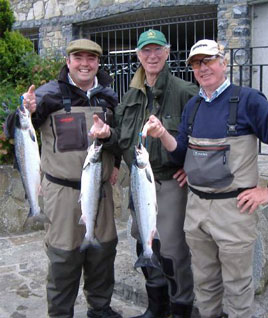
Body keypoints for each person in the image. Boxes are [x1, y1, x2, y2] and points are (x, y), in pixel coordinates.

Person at [141, 39, 268, 318]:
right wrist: (163, 134)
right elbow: (181, 154)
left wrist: (265, 192)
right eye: (197, 63)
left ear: (223, 62)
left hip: (234, 210)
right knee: (205, 284)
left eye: (208, 60)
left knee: (237, 286)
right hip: (196, 209)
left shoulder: (249, 101)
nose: (203, 67)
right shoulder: (194, 106)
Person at [5, 38, 122, 318]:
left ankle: (100, 308)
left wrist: (115, 160)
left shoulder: (109, 96)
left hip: (100, 191)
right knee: (64, 256)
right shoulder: (47, 95)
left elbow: (120, 138)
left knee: (103, 253)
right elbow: (15, 131)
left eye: (91, 59)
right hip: (62, 192)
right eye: (78, 58)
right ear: (68, 62)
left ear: (98, 63)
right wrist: (24, 110)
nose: (85, 64)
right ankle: (60, 313)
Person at [90, 29, 199, 318]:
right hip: (140, 183)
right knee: (143, 239)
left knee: (173, 249)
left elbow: (203, 138)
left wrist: (192, 166)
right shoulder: (130, 97)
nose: (151, 55)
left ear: (167, 52)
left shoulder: (185, 92)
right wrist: (105, 134)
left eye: (157, 49)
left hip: (170, 182)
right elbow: (122, 140)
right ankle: (156, 307)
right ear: (138, 55)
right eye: (145, 51)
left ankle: (180, 309)